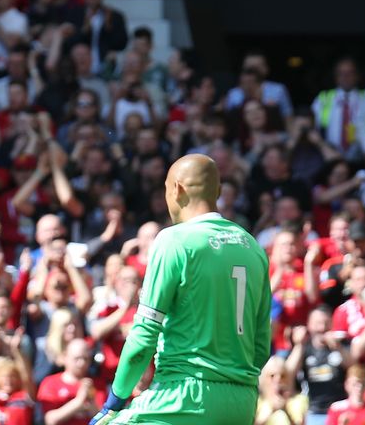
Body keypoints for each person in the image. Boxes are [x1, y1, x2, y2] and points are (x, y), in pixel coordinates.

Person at [90, 154, 271, 425]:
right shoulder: (252, 246)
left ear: (176, 189)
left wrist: (114, 401)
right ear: (218, 192)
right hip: (243, 402)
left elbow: (144, 336)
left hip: (185, 395)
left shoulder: (174, 240)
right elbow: (261, 346)